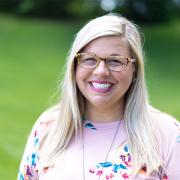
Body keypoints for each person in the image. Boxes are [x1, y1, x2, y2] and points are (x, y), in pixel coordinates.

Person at [17, 13, 180, 180]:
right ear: (74, 66)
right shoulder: (48, 127)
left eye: (115, 61)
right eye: (89, 59)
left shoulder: (167, 134)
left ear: (135, 70)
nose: (101, 71)